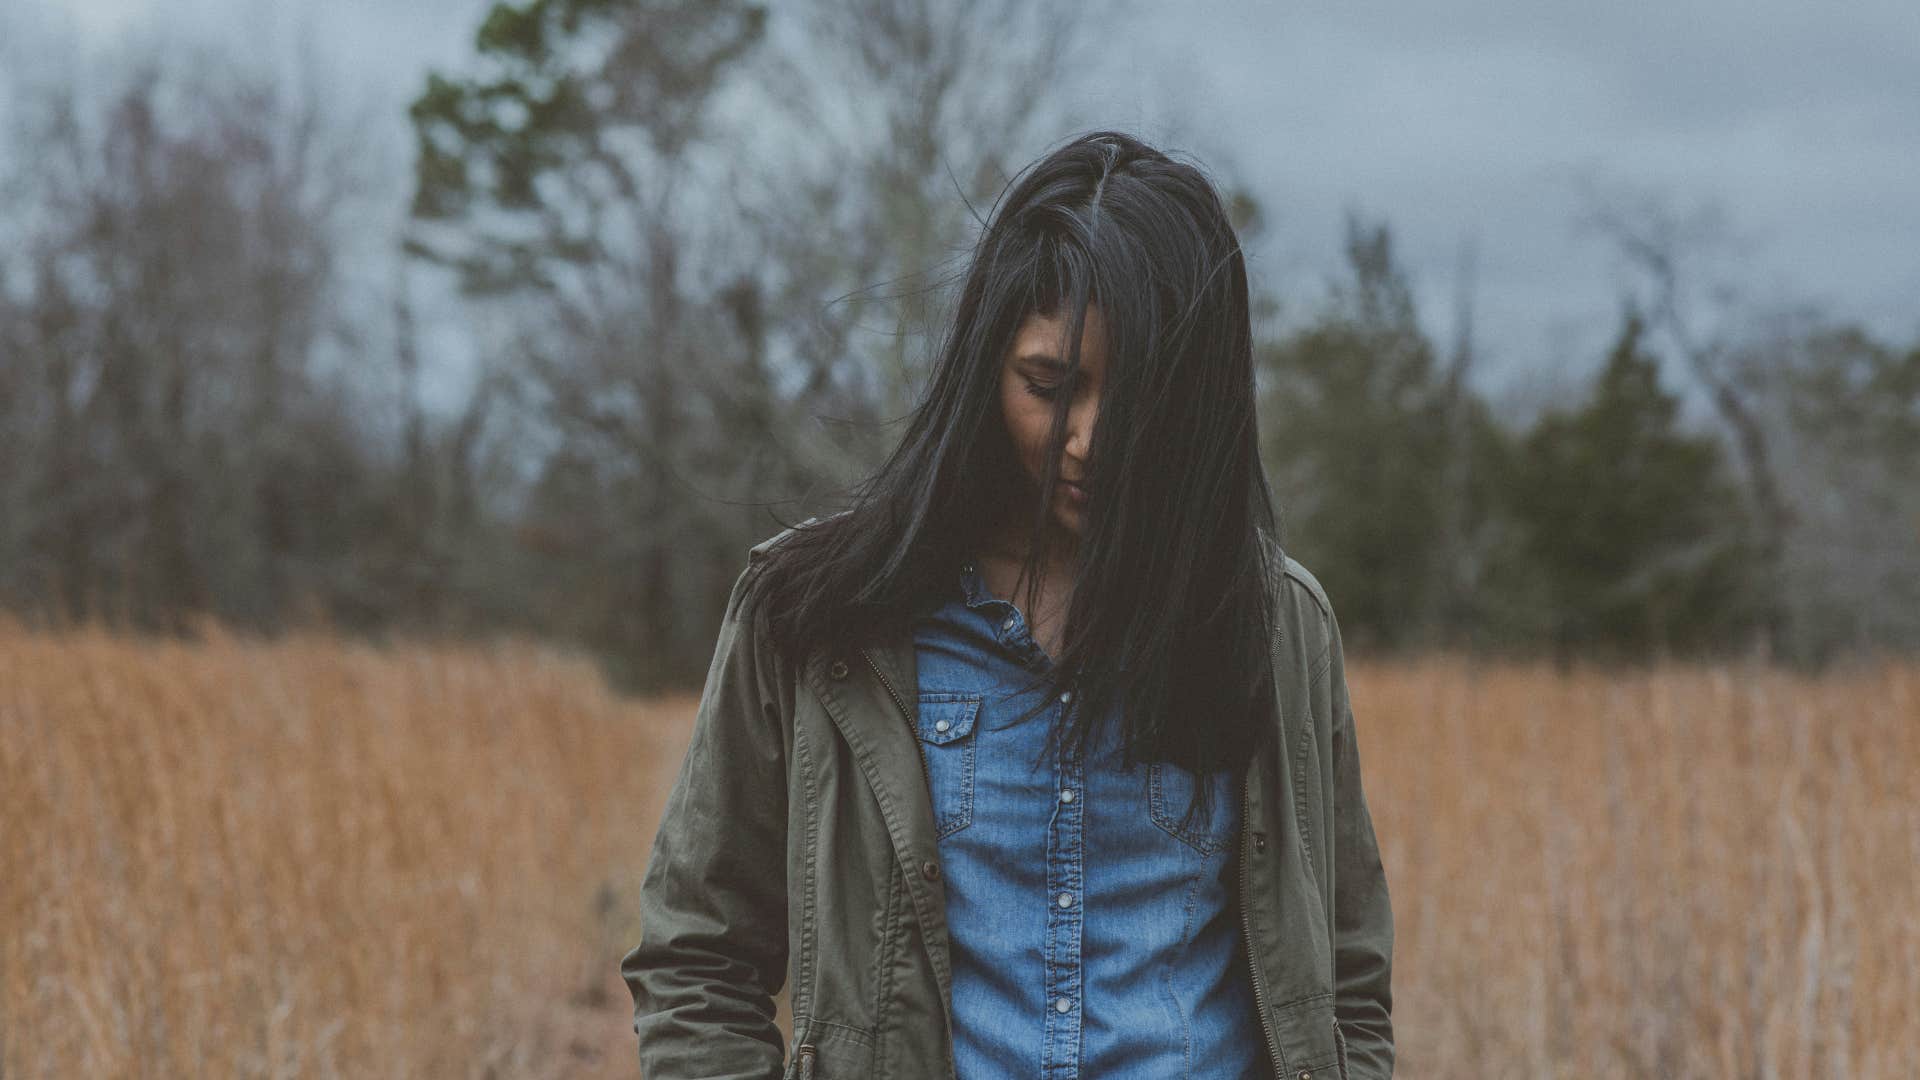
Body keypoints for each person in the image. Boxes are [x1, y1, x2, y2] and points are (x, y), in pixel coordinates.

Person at [621, 130, 1394, 1079]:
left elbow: (1345, 981)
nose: (1091, 441)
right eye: (1051, 385)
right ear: (988, 367)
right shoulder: (817, 618)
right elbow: (698, 957)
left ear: (1200, 402)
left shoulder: (1277, 624)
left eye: (1143, 397)